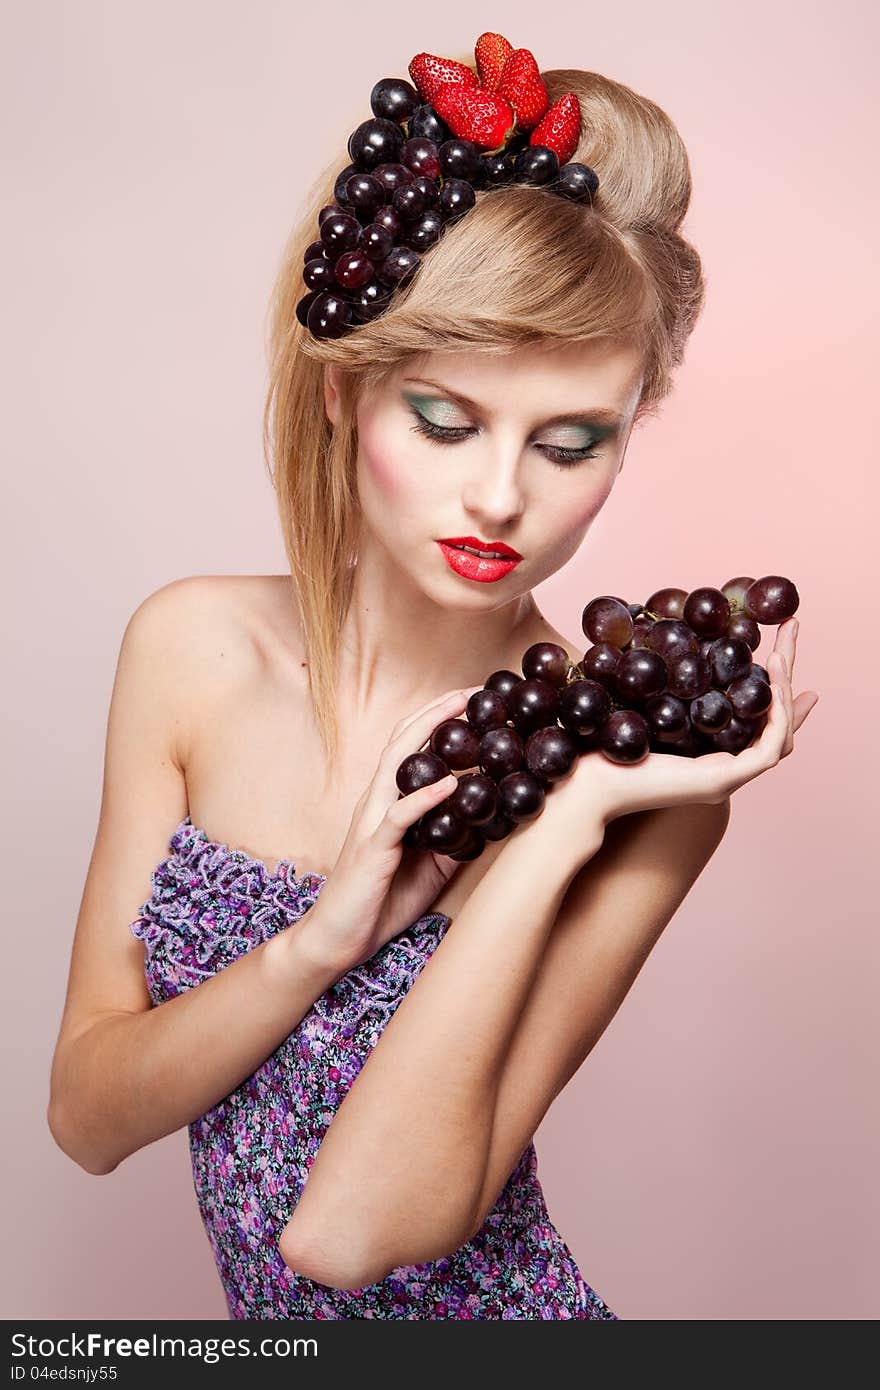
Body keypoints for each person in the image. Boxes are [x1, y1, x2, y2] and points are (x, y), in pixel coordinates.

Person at [47, 51, 817, 1320]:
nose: (504, 495)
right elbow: (85, 1116)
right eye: (447, 422)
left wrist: (564, 820)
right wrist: (314, 946)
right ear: (347, 392)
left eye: (572, 442)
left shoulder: (646, 785)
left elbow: (351, 1234)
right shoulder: (191, 651)